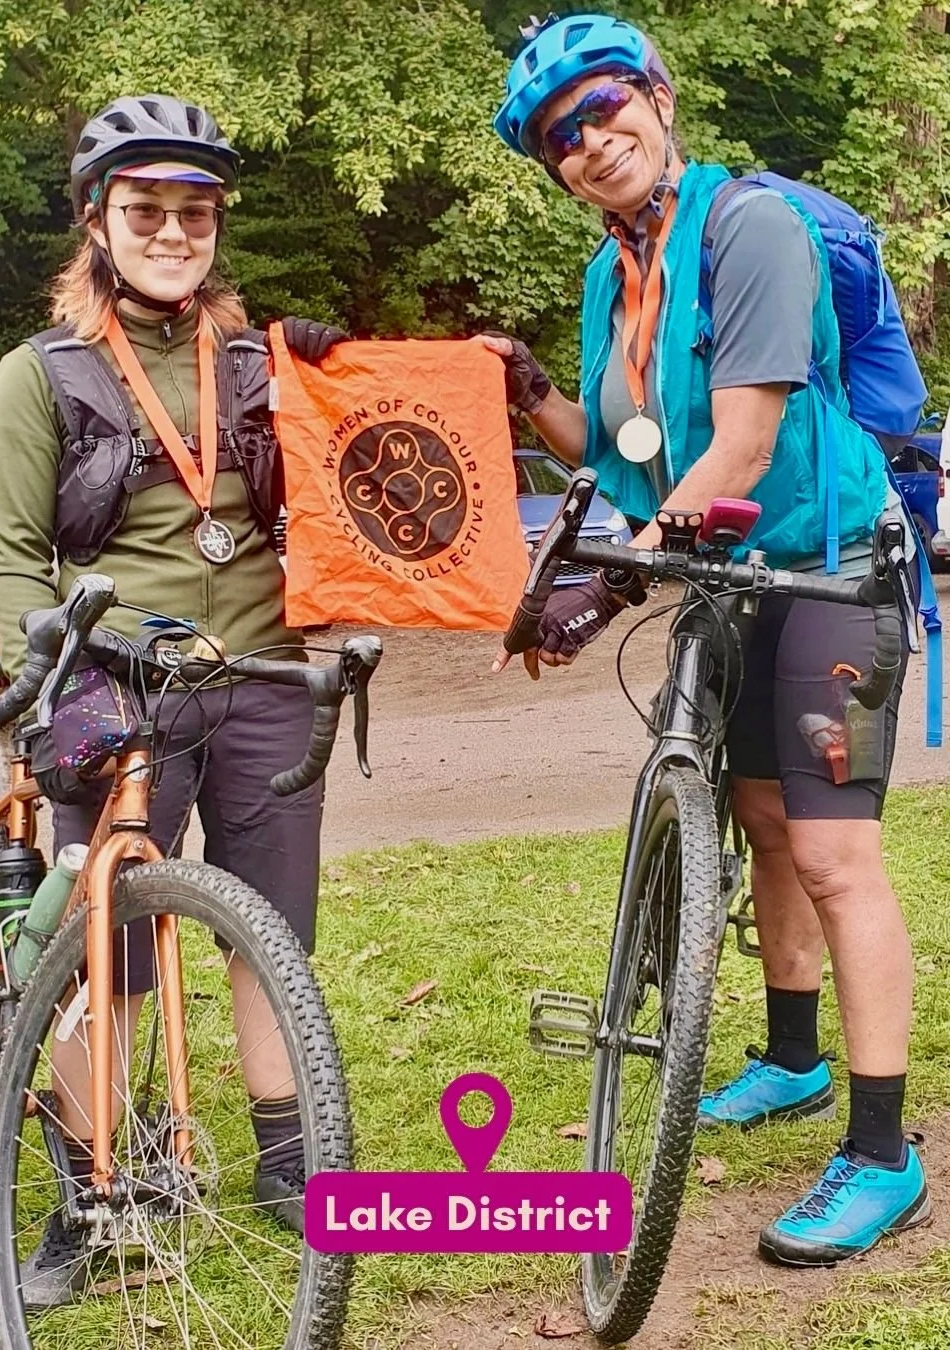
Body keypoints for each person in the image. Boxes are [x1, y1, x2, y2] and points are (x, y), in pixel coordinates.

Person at [485, 13, 928, 1266]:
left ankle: (886, 1156)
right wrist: (531, 394)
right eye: (560, 137)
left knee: (835, 853)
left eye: (605, 106)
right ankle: (793, 1056)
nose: (589, 139)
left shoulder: (751, 228)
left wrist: (638, 561)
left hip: (833, 574)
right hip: (729, 579)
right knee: (764, 822)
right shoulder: (609, 275)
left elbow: (738, 439)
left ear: (659, 97)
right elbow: (635, 457)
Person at [0, 93, 346, 1306]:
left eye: (195, 212)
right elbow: (19, 555)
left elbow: (348, 498)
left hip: (261, 680)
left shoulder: (257, 361)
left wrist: (342, 385)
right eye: (146, 209)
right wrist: (50, 687)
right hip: (118, 683)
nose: (173, 230)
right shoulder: (41, 376)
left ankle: (290, 1166)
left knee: (271, 929)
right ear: (98, 219)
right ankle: (89, 1188)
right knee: (109, 950)